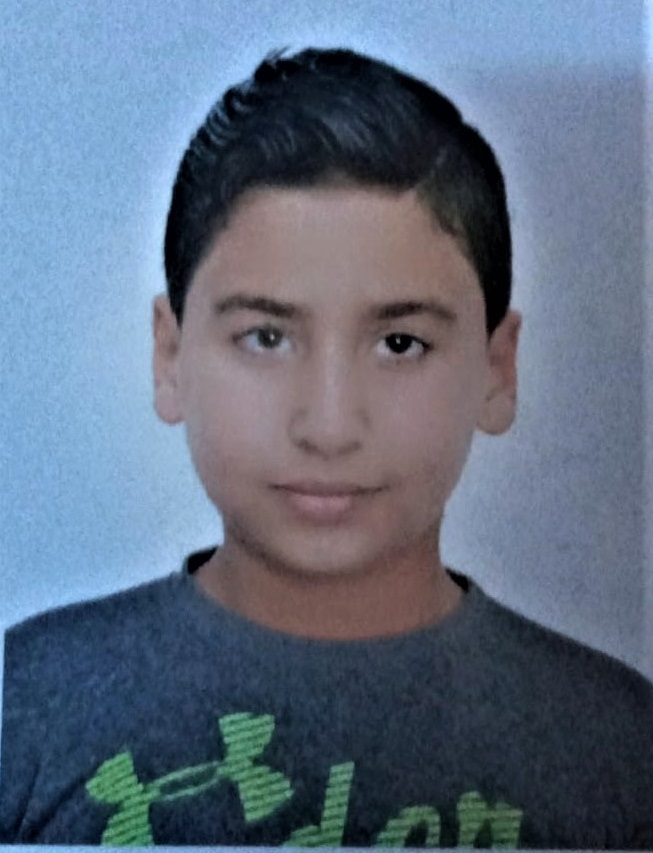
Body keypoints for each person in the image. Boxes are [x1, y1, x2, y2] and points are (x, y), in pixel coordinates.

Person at [1, 46, 651, 849]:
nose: (330, 426)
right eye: (266, 337)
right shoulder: (23, 705)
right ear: (170, 357)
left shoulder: (619, 747)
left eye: (400, 343)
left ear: (496, 369)